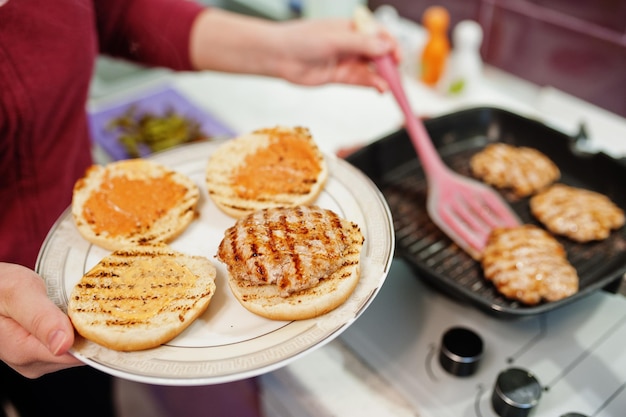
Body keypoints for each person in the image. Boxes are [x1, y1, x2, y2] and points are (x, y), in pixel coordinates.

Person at [0, 1, 399, 416]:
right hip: (16, 302)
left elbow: (113, 12)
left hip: (89, 250)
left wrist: (280, 47)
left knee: (85, 401)